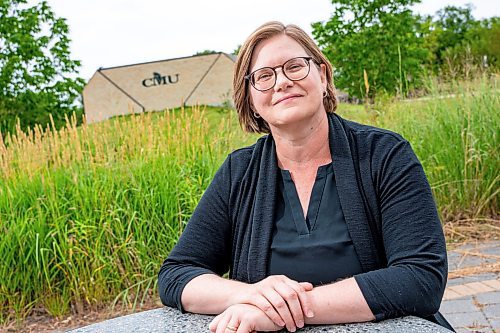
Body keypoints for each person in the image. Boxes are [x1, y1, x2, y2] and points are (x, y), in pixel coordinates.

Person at [158, 21, 454, 333]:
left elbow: (421, 277)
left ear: (323, 76)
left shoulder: (384, 154)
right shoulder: (238, 173)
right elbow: (177, 274)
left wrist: (281, 313)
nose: (281, 82)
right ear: (251, 101)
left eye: (294, 67)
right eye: (264, 76)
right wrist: (251, 295)